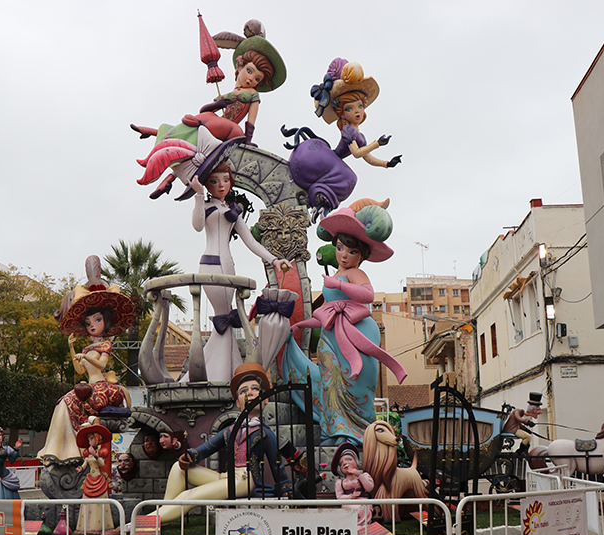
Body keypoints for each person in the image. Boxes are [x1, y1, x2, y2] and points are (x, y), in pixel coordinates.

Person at [282, 201, 407, 446]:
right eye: (340, 248)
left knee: (354, 383)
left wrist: (339, 285)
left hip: (357, 333)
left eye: (352, 252)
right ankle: (334, 431)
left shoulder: (354, 274)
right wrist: (303, 325)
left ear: (361, 255)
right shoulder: (338, 274)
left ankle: (356, 433)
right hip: (332, 336)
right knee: (331, 383)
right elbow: (326, 312)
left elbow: (368, 295)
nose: (344, 255)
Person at [130, 35, 285, 199]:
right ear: (239, 68)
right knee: (192, 138)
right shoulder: (228, 94)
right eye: (249, 71)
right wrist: (217, 105)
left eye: (257, 79)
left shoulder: (253, 94)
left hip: (231, 130)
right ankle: (168, 176)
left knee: (199, 123)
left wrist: (247, 140)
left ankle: (155, 134)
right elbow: (205, 109)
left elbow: (251, 120)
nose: (251, 79)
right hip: (215, 127)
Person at [189, 162, 291, 381]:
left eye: (225, 180)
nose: (221, 185)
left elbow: (251, 241)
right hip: (210, 264)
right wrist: (198, 195)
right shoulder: (206, 207)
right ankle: (219, 373)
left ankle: (229, 367)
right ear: (206, 183)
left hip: (228, 266)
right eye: (214, 181)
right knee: (222, 315)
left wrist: (273, 259)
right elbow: (197, 226)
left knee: (226, 314)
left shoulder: (232, 211)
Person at [154, 363, 291, 523]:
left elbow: (277, 465)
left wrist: (285, 489)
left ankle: (140, 522)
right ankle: (162, 515)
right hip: (227, 477)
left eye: (255, 389)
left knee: (189, 495)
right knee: (178, 468)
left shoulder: (265, 433)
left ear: (266, 399)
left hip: (245, 480)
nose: (250, 393)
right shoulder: (230, 430)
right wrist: (190, 456)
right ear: (238, 403)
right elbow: (208, 447)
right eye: (243, 391)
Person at [287, 59, 401, 218]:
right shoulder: (347, 130)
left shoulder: (359, 134)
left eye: (360, 106)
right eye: (350, 108)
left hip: (331, 160)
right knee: (350, 177)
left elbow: (367, 157)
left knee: (349, 176)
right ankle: (321, 198)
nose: (357, 112)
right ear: (342, 113)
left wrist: (387, 163)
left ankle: (322, 199)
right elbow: (356, 153)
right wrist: (377, 143)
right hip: (326, 158)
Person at [38, 282, 137, 464]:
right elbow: (80, 370)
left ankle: (71, 449)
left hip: (100, 387)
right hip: (88, 386)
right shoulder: (86, 347)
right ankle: (62, 450)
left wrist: (85, 356)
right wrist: (72, 349)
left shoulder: (105, 345)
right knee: (62, 403)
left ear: (105, 322)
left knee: (67, 401)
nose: (92, 325)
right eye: (88, 322)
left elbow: (100, 364)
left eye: (97, 320)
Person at [74, 418, 114, 533]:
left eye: (91, 438)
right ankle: (86, 526)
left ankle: (101, 525)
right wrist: (80, 468)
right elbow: (84, 465)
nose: (90, 441)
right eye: (88, 439)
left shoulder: (100, 453)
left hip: (99, 479)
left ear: (97, 439)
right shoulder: (88, 455)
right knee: (88, 502)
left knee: (100, 502)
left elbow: (101, 463)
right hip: (90, 479)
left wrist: (95, 455)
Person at [332, 442, 374, 532]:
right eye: (341, 463)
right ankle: (351, 529)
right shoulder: (341, 482)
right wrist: (351, 497)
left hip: (362, 501)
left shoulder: (364, 476)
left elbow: (369, 487)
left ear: (356, 461)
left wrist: (358, 474)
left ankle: (363, 528)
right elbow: (339, 497)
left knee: (362, 507)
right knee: (350, 509)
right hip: (348, 502)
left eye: (348, 460)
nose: (344, 463)